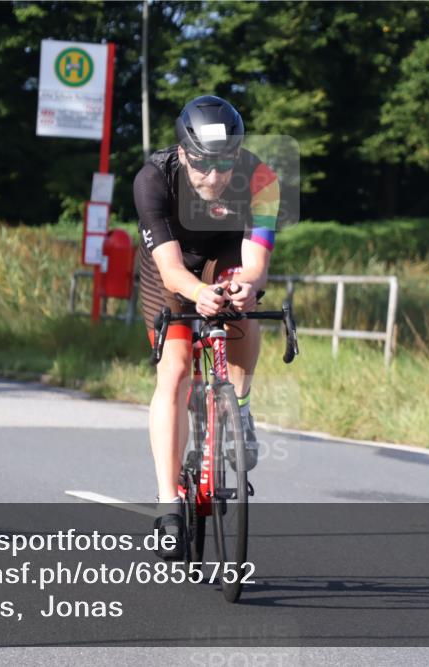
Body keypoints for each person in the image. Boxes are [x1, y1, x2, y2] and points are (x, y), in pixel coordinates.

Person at [133, 95, 279, 557]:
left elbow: (256, 263)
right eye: (202, 166)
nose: (214, 178)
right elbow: (174, 271)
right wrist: (198, 294)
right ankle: (167, 503)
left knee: (242, 300)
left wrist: (246, 287)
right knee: (175, 371)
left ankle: (241, 407)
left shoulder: (262, 179)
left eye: (224, 165)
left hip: (228, 254)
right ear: (182, 154)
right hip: (171, 269)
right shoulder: (153, 180)